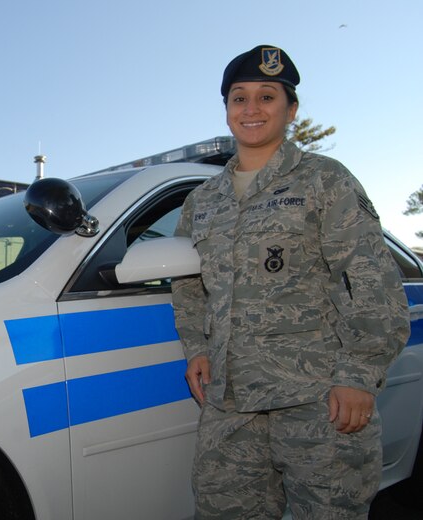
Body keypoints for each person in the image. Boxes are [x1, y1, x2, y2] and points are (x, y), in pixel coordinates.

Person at [171, 44, 410, 519]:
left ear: (291, 109)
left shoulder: (324, 180)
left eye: (267, 97)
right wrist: (196, 347)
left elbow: (369, 277)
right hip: (230, 404)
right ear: (226, 110)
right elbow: (188, 282)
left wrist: (359, 376)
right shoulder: (202, 201)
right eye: (239, 98)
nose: (251, 109)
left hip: (318, 399)